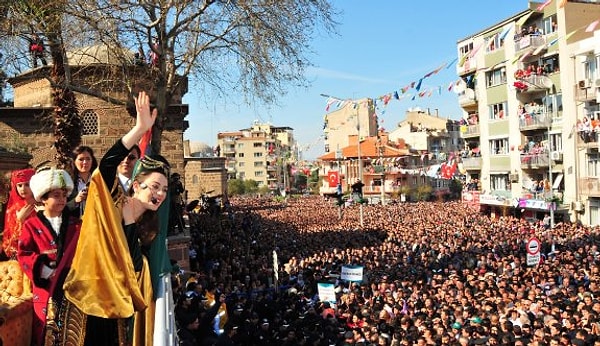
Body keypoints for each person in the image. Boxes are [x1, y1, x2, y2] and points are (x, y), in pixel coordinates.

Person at [58, 90, 172, 345]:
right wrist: (139, 129)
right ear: (136, 185)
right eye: (155, 186)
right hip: (87, 296)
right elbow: (107, 166)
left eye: (164, 189)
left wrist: (130, 223)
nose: (160, 193)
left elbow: (135, 269)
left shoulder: (148, 226)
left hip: (116, 307)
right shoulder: (112, 200)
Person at [17, 167, 78, 346]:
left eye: (64, 195)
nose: (62, 199)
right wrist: (45, 269)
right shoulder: (31, 225)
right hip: (46, 290)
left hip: (71, 288)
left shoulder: (77, 225)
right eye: (56, 195)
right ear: (43, 198)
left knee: (71, 332)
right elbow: (24, 254)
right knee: (44, 333)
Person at [1, 168, 36, 259]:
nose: (23, 189)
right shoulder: (13, 209)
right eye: (19, 185)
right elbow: (11, 238)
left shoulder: (42, 204)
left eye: (27, 185)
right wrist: (19, 220)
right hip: (21, 252)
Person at [67, 145, 98, 218]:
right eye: (81, 159)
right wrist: (76, 200)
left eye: (88, 159)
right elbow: (61, 208)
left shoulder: (98, 180)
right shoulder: (68, 182)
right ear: (74, 161)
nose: (85, 162)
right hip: (76, 225)